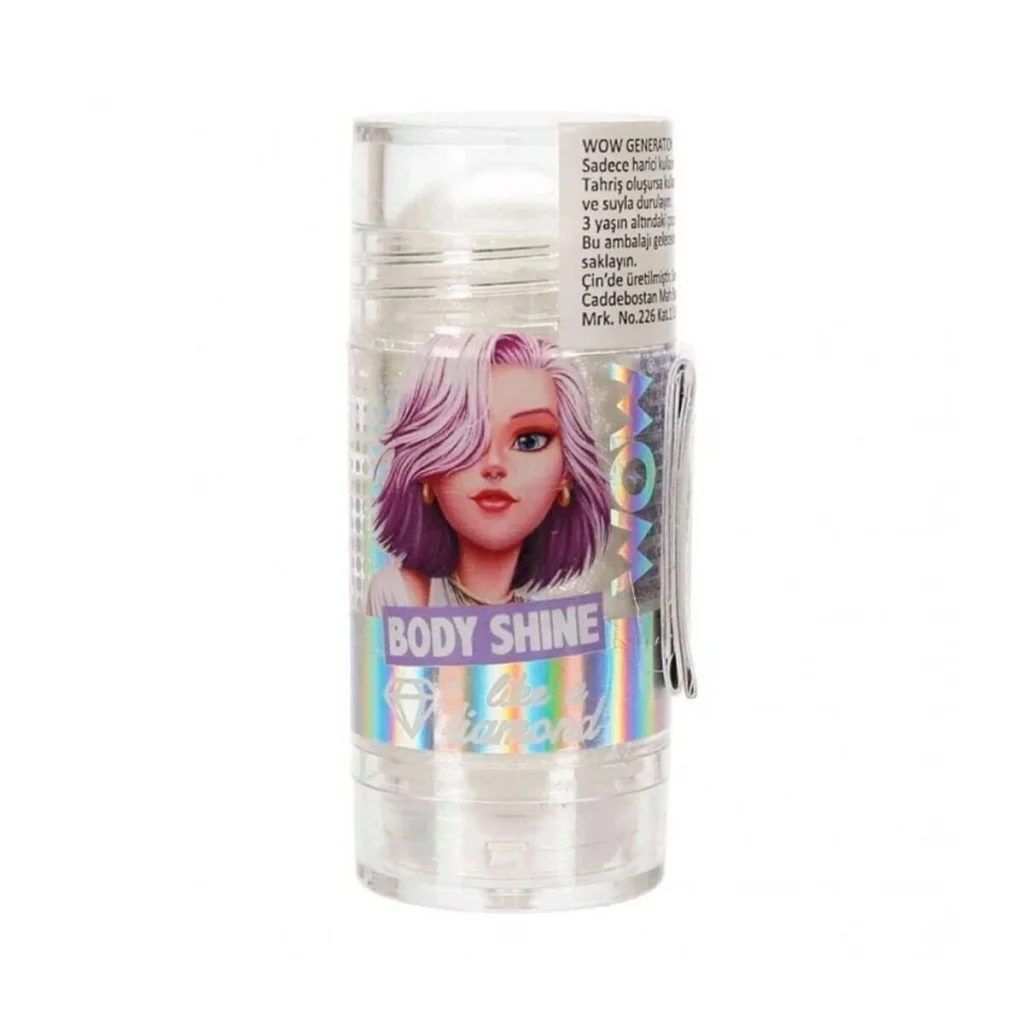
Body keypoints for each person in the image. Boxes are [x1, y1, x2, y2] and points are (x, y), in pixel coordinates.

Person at [367, 332, 610, 611]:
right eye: (468, 438)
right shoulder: (401, 595)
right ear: (426, 465)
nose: (494, 465)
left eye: (529, 441)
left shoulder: (542, 617)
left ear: (567, 472)